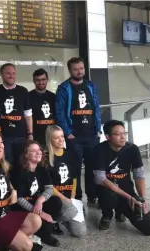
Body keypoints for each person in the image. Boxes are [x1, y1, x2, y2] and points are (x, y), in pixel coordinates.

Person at [93, 120, 150, 235]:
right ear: (108, 137)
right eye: (118, 134)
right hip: (108, 191)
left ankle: (120, 211)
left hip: (126, 191)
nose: (123, 137)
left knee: (149, 228)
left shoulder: (132, 149)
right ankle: (107, 215)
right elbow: (100, 179)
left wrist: (142, 199)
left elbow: (139, 175)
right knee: (109, 196)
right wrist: (128, 197)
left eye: (124, 133)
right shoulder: (99, 150)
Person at [55, 57, 101, 208]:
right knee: (74, 168)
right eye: (76, 69)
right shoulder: (64, 88)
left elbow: (96, 107)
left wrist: (98, 129)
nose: (79, 71)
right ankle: (78, 197)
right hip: (74, 136)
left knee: (92, 167)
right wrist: (67, 133)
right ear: (70, 70)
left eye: (81, 68)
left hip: (92, 135)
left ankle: (93, 195)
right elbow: (59, 112)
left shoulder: (90, 86)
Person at [13, 140, 62, 247]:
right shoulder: (20, 172)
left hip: (36, 202)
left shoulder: (42, 167)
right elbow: (19, 199)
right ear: (26, 155)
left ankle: (42, 229)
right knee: (45, 224)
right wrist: (40, 213)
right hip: (22, 206)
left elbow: (49, 188)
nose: (38, 152)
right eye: (33, 151)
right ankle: (42, 233)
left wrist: (40, 201)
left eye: (39, 150)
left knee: (56, 202)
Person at [46, 125, 87, 237]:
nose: (61, 140)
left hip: (69, 196)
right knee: (70, 211)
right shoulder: (46, 158)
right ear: (50, 139)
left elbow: (74, 178)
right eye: (56, 138)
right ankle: (52, 221)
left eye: (62, 136)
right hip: (54, 198)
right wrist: (64, 198)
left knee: (80, 233)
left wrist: (72, 195)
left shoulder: (70, 154)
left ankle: (64, 218)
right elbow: (48, 186)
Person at [0, 63, 33, 168]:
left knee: (22, 165)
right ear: (1, 74)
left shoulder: (23, 91)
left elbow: (28, 114)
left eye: (13, 73)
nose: (11, 76)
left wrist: (30, 133)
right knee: (6, 165)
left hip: (21, 135)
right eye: (8, 73)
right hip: (3, 137)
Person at [28, 68, 56, 148]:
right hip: (35, 138)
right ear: (33, 81)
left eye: (43, 79)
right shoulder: (28, 97)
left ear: (47, 80)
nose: (40, 82)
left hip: (52, 137)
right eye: (37, 80)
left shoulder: (54, 97)